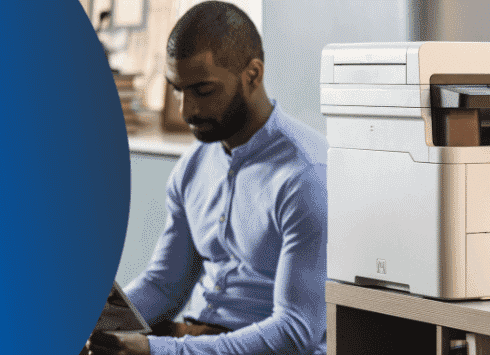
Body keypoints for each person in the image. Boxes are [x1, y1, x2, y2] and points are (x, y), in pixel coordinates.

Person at [88, 2, 328, 354]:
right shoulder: (192, 167)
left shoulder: (305, 177)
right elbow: (164, 287)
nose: (187, 110)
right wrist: (94, 321)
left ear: (253, 75)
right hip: (193, 336)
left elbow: (295, 332)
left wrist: (158, 351)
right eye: (177, 89)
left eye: (203, 90)